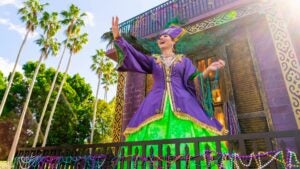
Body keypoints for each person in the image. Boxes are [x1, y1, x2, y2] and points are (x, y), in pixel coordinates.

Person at [112, 16, 229, 168]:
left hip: (185, 103)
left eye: (165, 36)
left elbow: (196, 79)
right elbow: (135, 55)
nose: (161, 38)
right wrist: (118, 37)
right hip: (154, 103)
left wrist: (208, 69)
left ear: (173, 42)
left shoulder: (184, 61)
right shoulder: (153, 60)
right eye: (160, 37)